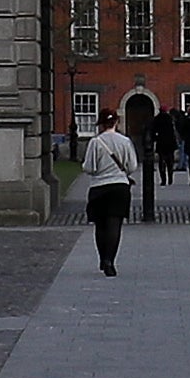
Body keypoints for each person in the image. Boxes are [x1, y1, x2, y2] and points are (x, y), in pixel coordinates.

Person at [78, 113, 142, 275]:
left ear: (101, 124)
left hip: (99, 187)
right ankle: (110, 261)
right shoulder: (125, 141)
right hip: (120, 186)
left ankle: (102, 258)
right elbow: (133, 166)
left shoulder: (95, 142)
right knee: (115, 224)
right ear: (116, 122)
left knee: (100, 225)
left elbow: (89, 168)